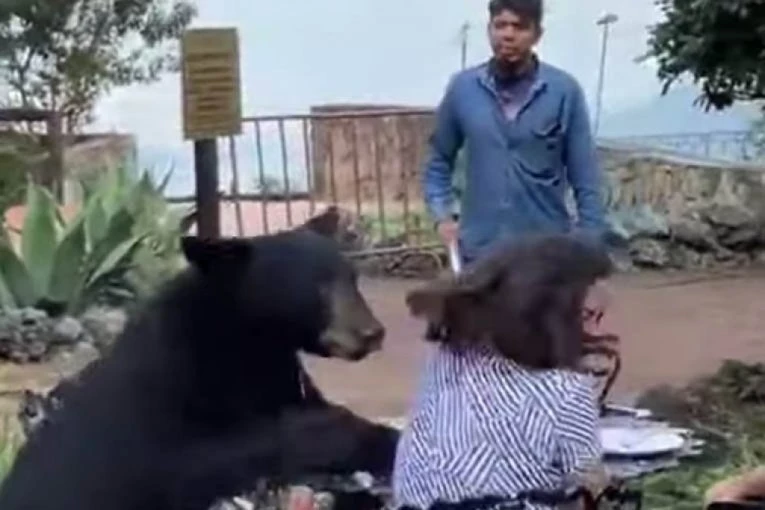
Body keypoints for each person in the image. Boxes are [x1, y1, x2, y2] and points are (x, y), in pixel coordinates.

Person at [392, 234, 615, 509]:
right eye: (587, 316)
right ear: (544, 313)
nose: (596, 331)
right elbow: (589, 487)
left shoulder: (447, 355)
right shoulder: (565, 391)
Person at [423, 0, 607, 266]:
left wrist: (591, 265)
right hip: (480, 256)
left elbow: (586, 182)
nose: (508, 35)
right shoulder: (463, 90)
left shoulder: (563, 93)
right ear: (489, 30)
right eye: (500, 25)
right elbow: (438, 160)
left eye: (519, 27)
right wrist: (443, 216)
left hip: (545, 258)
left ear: (536, 35)